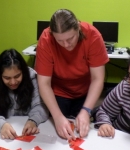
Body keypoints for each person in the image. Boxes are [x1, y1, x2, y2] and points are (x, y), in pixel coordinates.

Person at [35, 9, 109, 140]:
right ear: (52, 35)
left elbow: (98, 79)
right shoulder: (46, 39)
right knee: (59, 133)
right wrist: (57, 117)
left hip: (85, 91)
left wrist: (86, 111)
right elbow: (44, 83)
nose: (66, 45)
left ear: (78, 28)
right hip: (57, 92)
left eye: (70, 38)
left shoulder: (92, 35)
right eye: (60, 41)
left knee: (83, 132)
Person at [0, 48, 49, 140]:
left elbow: (41, 105)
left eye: (17, 76)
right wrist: (1, 125)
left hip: (26, 128)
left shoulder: (32, 77)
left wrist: (33, 121)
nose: (13, 82)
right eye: (7, 78)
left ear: (23, 72)